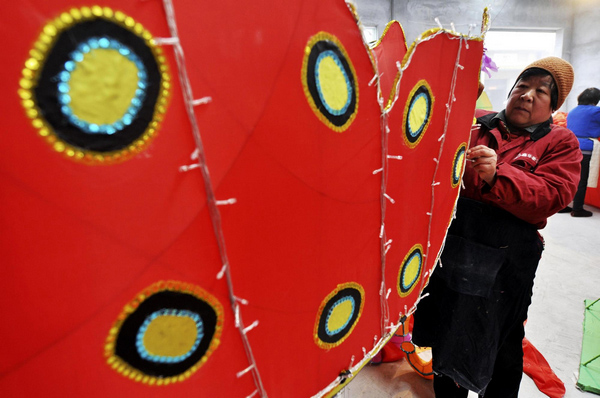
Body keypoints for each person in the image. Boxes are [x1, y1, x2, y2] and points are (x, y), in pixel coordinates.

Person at [412, 57, 582, 398]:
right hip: (456, 250)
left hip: (508, 264)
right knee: (449, 332)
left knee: (502, 343)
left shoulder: (560, 142)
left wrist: (498, 174)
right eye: (522, 85)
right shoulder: (473, 124)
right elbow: (426, 138)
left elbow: (553, 195)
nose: (528, 95)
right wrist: (455, 98)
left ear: (554, 104)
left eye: (541, 91)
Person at [565, 88, 600, 217]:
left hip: (569, 148)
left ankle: (562, 206)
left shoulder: (573, 111)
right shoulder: (597, 111)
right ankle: (578, 209)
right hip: (585, 149)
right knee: (582, 179)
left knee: (569, 178)